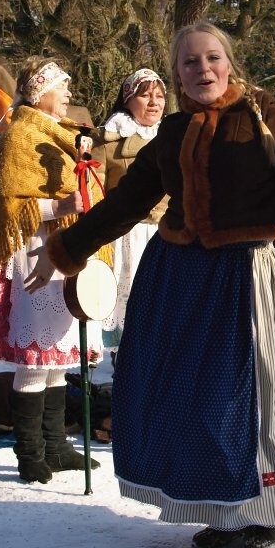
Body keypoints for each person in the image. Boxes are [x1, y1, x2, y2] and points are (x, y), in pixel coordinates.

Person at [26, 22, 275, 548]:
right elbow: (127, 203)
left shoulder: (261, 114)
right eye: (189, 61)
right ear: (176, 71)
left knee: (243, 395)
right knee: (186, 396)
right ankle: (218, 509)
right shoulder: (172, 132)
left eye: (212, 58)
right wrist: (63, 253)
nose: (202, 68)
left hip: (242, 272)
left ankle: (260, 513)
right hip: (179, 274)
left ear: (229, 63)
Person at [0, 56, 110, 484]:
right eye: (64, 86)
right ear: (42, 91)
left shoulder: (64, 136)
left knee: (58, 359)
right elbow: (10, 205)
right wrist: (63, 205)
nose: (70, 94)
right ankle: (29, 452)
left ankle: (56, 446)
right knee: (36, 360)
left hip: (65, 250)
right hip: (35, 251)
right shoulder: (20, 133)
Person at [92, 68, 168, 351]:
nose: (154, 102)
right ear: (127, 99)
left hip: (166, 234)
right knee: (129, 304)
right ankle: (122, 372)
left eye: (159, 96)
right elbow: (94, 191)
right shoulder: (108, 139)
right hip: (126, 237)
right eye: (145, 95)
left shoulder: (173, 138)